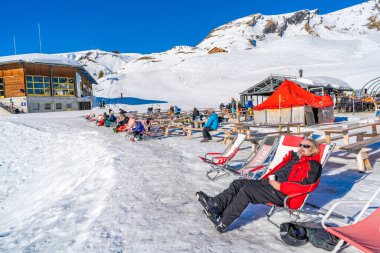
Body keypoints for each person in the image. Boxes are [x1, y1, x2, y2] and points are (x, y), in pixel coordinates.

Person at [196, 138, 322, 233]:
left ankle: (223, 222)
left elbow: (307, 186)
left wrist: (281, 187)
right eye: (300, 145)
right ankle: (215, 205)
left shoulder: (314, 165)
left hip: (283, 194)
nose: (301, 147)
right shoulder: (295, 158)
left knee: (247, 191)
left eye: (306, 146)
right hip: (269, 184)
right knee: (238, 183)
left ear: (314, 150)